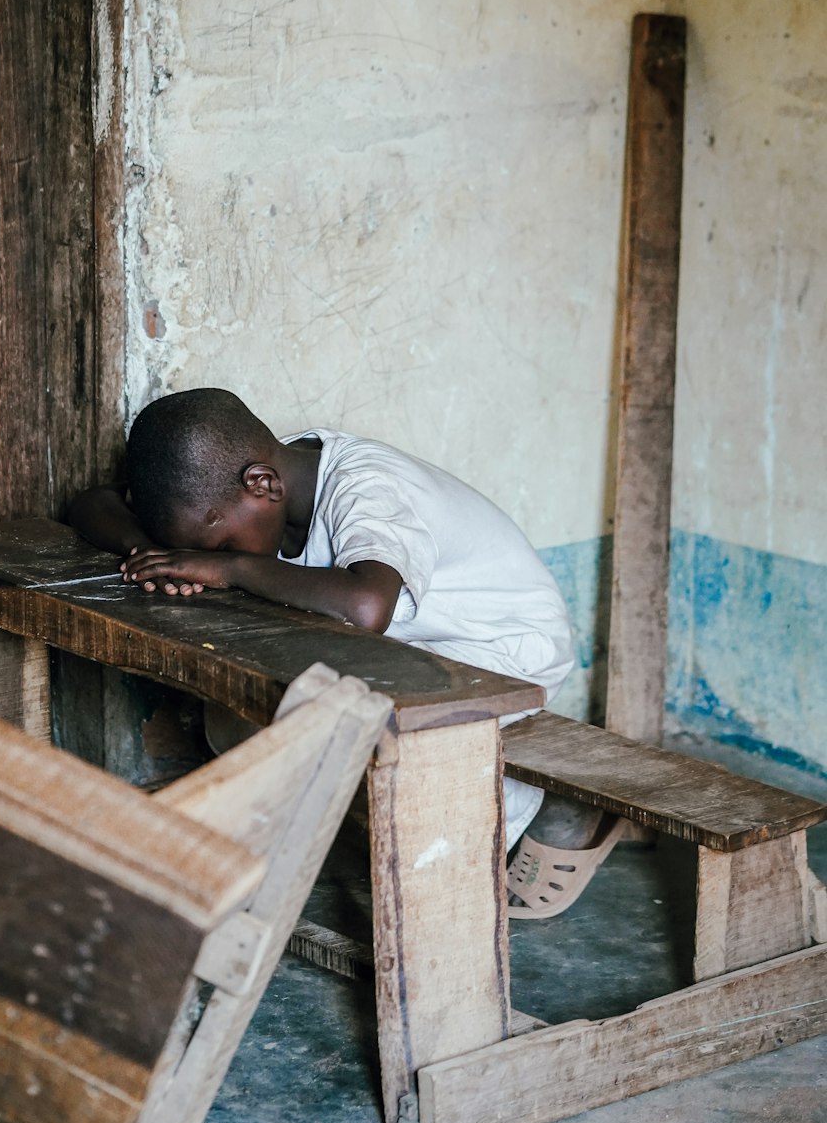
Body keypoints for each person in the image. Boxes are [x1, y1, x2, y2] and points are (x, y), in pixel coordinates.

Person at [70, 388, 621, 912]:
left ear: (261, 484)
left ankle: (548, 810)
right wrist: (151, 553)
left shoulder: (366, 489)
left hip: (502, 650)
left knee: (365, 739)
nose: (207, 556)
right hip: (408, 646)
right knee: (244, 709)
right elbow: (92, 502)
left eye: (217, 544)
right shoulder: (236, 496)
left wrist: (227, 567)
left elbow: (366, 608)